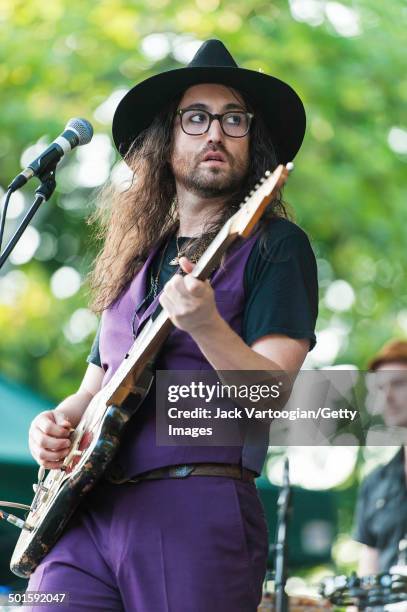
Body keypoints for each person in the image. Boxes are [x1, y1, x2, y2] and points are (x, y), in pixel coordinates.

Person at [26, 39, 318, 611]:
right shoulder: (135, 260)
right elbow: (94, 388)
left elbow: (272, 398)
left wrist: (206, 324)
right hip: (87, 512)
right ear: (168, 139)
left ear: (252, 142)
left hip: (193, 506)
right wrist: (55, 425)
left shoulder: (275, 247)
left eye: (234, 119)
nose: (215, 132)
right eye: (197, 118)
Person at [353, 339, 407, 575]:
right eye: (381, 388)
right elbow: (367, 578)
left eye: (398, 384)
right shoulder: (374, 483)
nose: (387, 397)